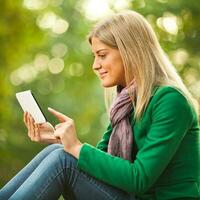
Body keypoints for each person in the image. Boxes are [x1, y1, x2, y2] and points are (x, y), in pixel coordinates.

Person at [0, 10, 199, 200]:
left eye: (102, 55)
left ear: (131, 52)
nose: (95, 65)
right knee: (57, 152)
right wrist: (60, 140)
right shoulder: (126, 103)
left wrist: (75, 147)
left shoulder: (171, 101)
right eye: (95, 56)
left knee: (63, 160)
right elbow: (100, 163)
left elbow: (139, 178)